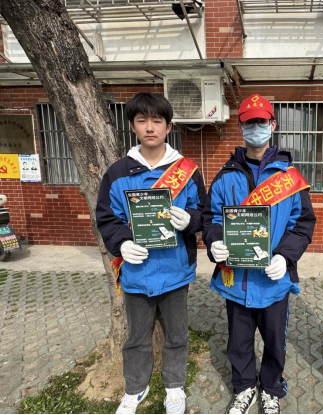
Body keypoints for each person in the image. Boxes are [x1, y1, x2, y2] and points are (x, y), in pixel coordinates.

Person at [202, 94, 316, 414]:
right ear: (240, 127)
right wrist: (214, 242)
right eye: (249, 122)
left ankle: (271, 388)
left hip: (273, 280)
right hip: (236, 279)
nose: (256, 127)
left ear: (273, 125)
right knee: (238, 341)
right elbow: (210, 219)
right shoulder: (225, 176)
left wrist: (285, 257)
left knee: (275, 341)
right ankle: (243, 388)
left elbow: (303, 224)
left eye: (261, 122)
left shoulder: (290, 177)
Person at [96, 92, 206, 415]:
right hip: (136, 272)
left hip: (176, 270)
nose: (149, 127)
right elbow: (107, 217)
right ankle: (134, 389)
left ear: (168, 127)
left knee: (177, 335)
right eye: (142, 120)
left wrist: (190, 221)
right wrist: (121, 244)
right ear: (132, 126)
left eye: (157, 121)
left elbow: (204, 211)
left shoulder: (188, 170)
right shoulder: (117, 173)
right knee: (136, 338)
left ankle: (174, 386)